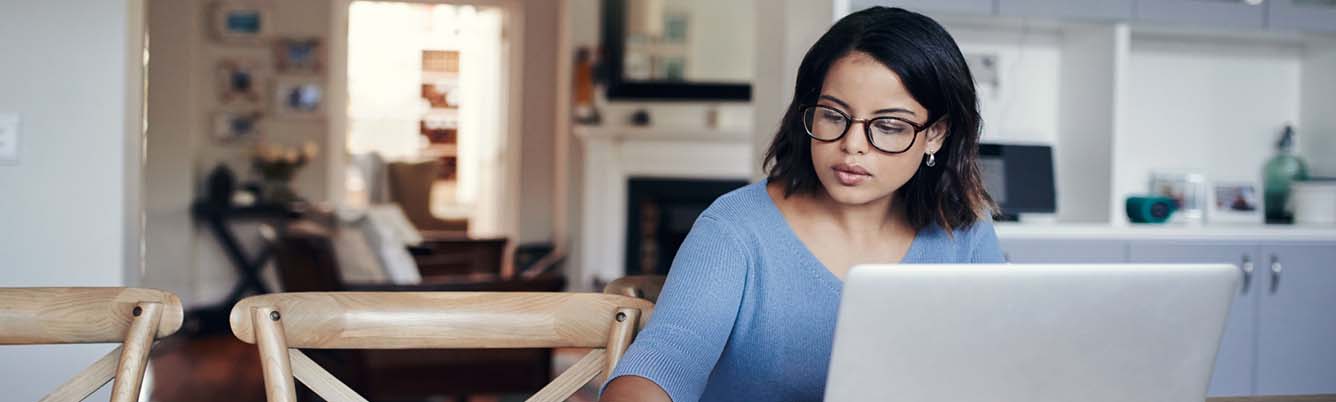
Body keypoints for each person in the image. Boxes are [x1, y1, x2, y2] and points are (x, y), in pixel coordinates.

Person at [599, 7, 1004, 402]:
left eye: (889, 126)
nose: (852, 145)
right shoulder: (735, 228)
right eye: (833, 115)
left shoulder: (965, 229)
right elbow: (663, 363)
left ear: (936, 134)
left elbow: (1002, 364)